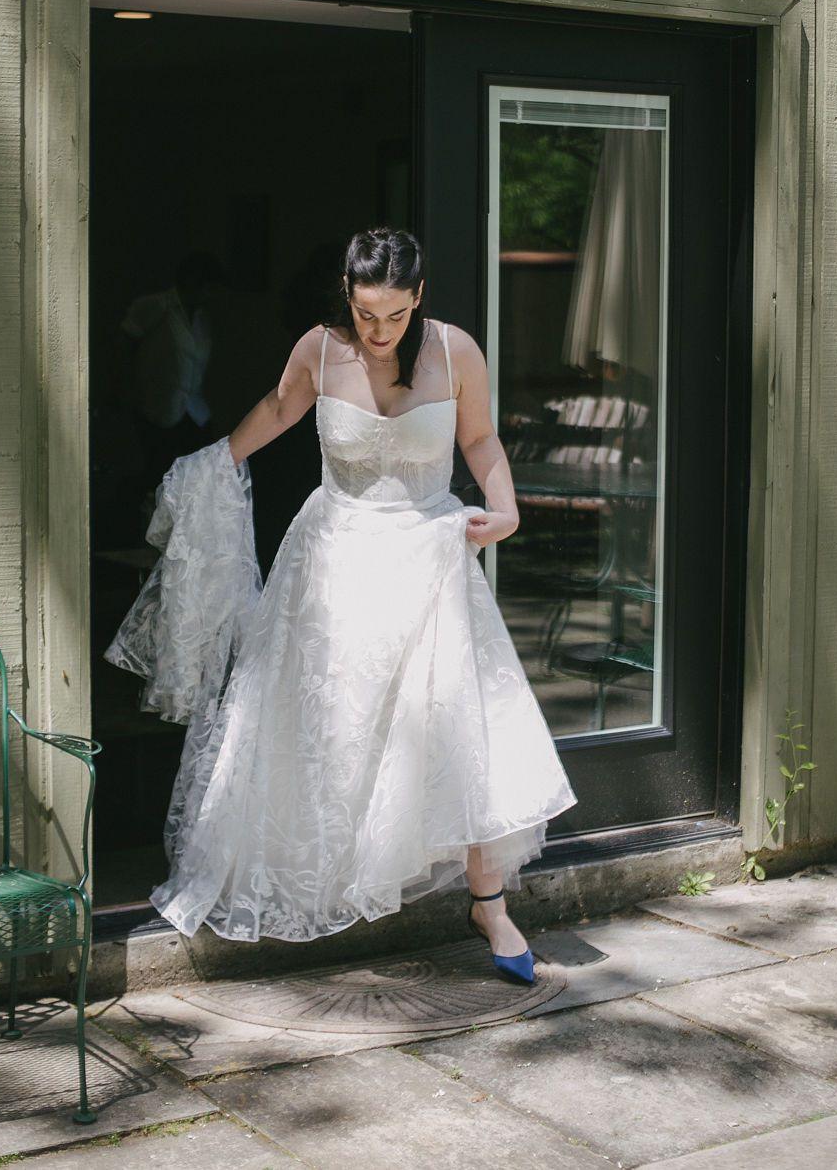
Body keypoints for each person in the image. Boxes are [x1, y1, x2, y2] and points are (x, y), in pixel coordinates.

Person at [108, 228, 576, 984]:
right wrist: (215, 463)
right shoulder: (320, 350)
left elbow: (482, 439)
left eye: (395, 315)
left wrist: (507, 508)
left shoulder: (455, 351)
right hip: (334, 558)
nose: (380, 331)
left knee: (459, 725)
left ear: (419, 297)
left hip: (429, 555)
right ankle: (318, 878)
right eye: (365, 314)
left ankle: (490, 905)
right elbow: (278, 408)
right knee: (328, 727)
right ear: (347, 298)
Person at [119, 251, 223, 497]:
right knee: (155, 477)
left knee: (194, 481)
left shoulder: (202, 319)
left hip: (193, 412)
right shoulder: (156, 307)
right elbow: (125, 344)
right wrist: (129, 390)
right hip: (157, 408)